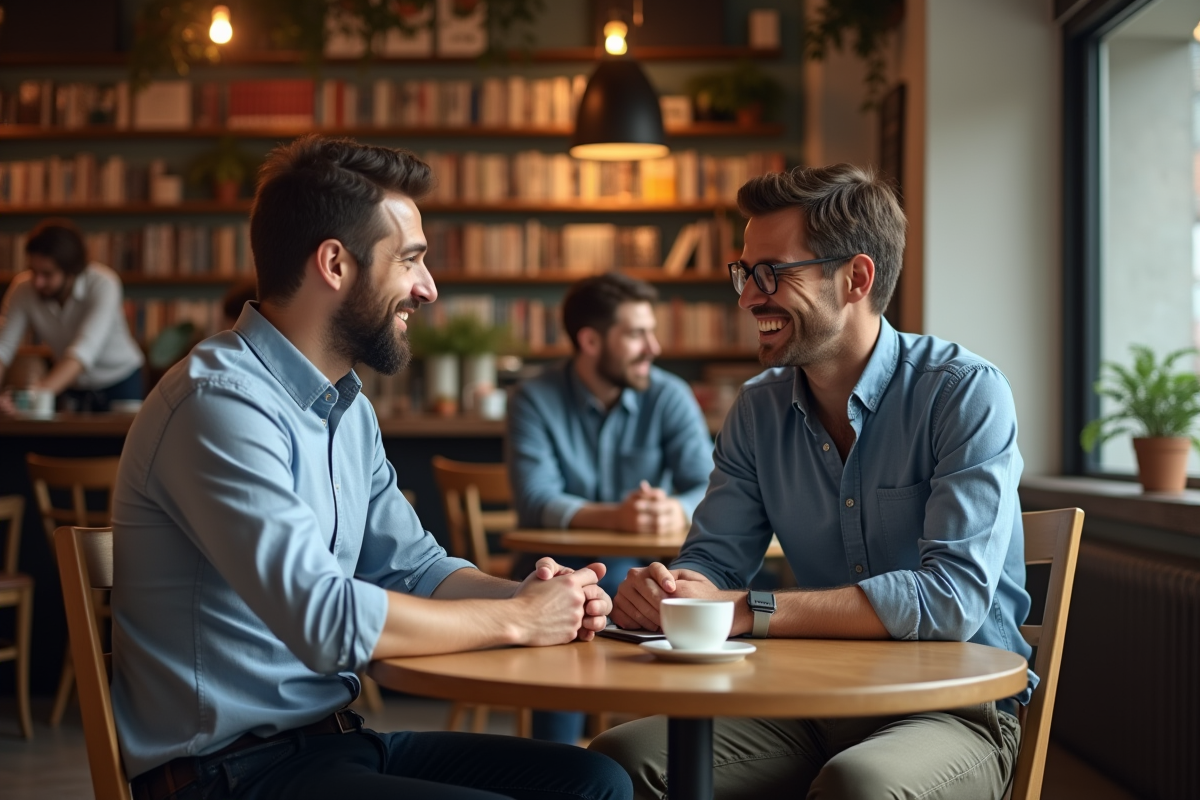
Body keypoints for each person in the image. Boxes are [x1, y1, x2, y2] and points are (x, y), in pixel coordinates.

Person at [110, 135, 631, 800]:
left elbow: (415, 568)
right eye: (411, 260)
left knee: (595, 780)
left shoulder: (345, 408)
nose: (429, 289)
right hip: (229, 773)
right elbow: (327, 621)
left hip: (332, 742)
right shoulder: (219, 403)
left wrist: (533, 595)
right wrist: (520, 622)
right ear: (334, 263)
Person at [590, 164, 1033, 800]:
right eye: (744, 274)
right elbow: (714, 561)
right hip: (808, 702)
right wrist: (671, 594)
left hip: (954, 711)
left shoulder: (964, 393)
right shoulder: (756, 409)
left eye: (772, 272)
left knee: (858, 785)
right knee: (617, 762)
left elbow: (953, 599)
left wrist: (746, 610)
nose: (747, 298)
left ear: (856, 278)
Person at [506, 272, 714, 744]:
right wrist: (615, 517)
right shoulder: (533, 399)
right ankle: (558, 765)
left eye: (652, 331)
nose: (654, 347)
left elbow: (707, 486)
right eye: (637, 334)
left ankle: (652, 753)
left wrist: (675, 510)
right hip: (550, 567)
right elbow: (537, 500)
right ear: (591, 340)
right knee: (559, 587)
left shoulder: (670, 396)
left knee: (639, 582)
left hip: (642, 571)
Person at [0, 219, 144, 413]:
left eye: (47, 274)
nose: (38, 282)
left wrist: (32, 397)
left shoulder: (104, 284)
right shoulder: (23, 289)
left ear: (71, 272)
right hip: (71, 386)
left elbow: (83, 351)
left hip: (120, 381)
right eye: (33, 271)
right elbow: (3, 348)